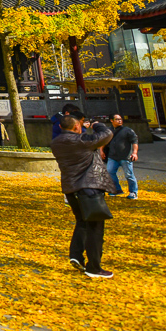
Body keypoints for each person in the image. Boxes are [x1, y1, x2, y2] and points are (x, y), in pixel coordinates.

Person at [50, 114, 116, 279]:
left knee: (82, 222)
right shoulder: (81, 141)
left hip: (71, 189)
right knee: (95, 227)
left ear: (60, 127)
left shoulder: (56, 142)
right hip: (89, 187)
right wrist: (97, 125)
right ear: (76, 127)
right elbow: (107, 134)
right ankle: (94, 267)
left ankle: (76, 255)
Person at [106, 114, 139, 199]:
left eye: (120, 119)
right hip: (113, 156)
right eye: (117, 119)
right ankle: (117, 189)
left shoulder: (127, 130)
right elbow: (104, 141)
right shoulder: (108, 131)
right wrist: (101, 151)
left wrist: (134, 152)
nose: (119, 121)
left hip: (125, 156)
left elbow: (134, 141)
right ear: (111, 120)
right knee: (110, 172)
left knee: (129, 175)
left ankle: (133, 192)